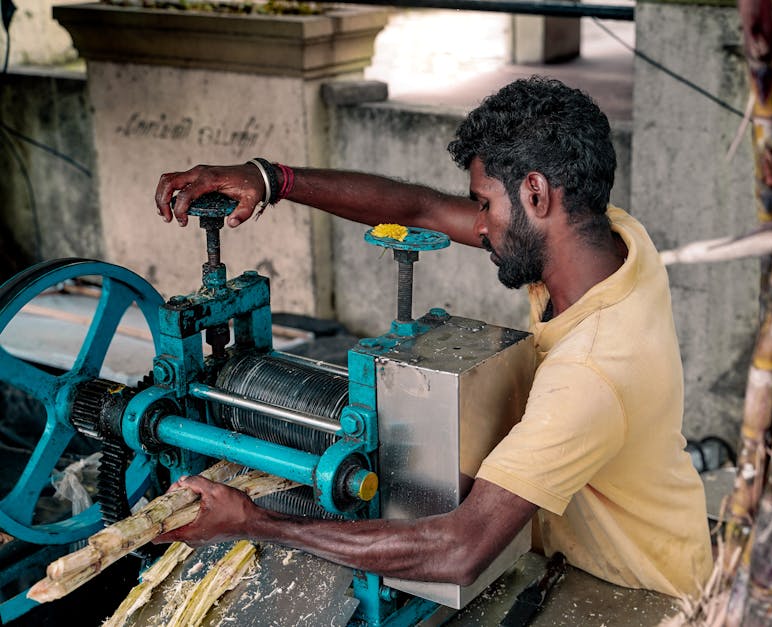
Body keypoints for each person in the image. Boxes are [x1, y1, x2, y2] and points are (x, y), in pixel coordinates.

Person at [153, 76, 713, 598]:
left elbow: (458, 549)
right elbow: (419, 208)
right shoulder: (606, 239)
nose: (480, 224)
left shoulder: (591, 371)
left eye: (485, 204)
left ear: (537, 194)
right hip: (622, 540)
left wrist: (254, 522)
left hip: (640, 591)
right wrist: (273, 179)